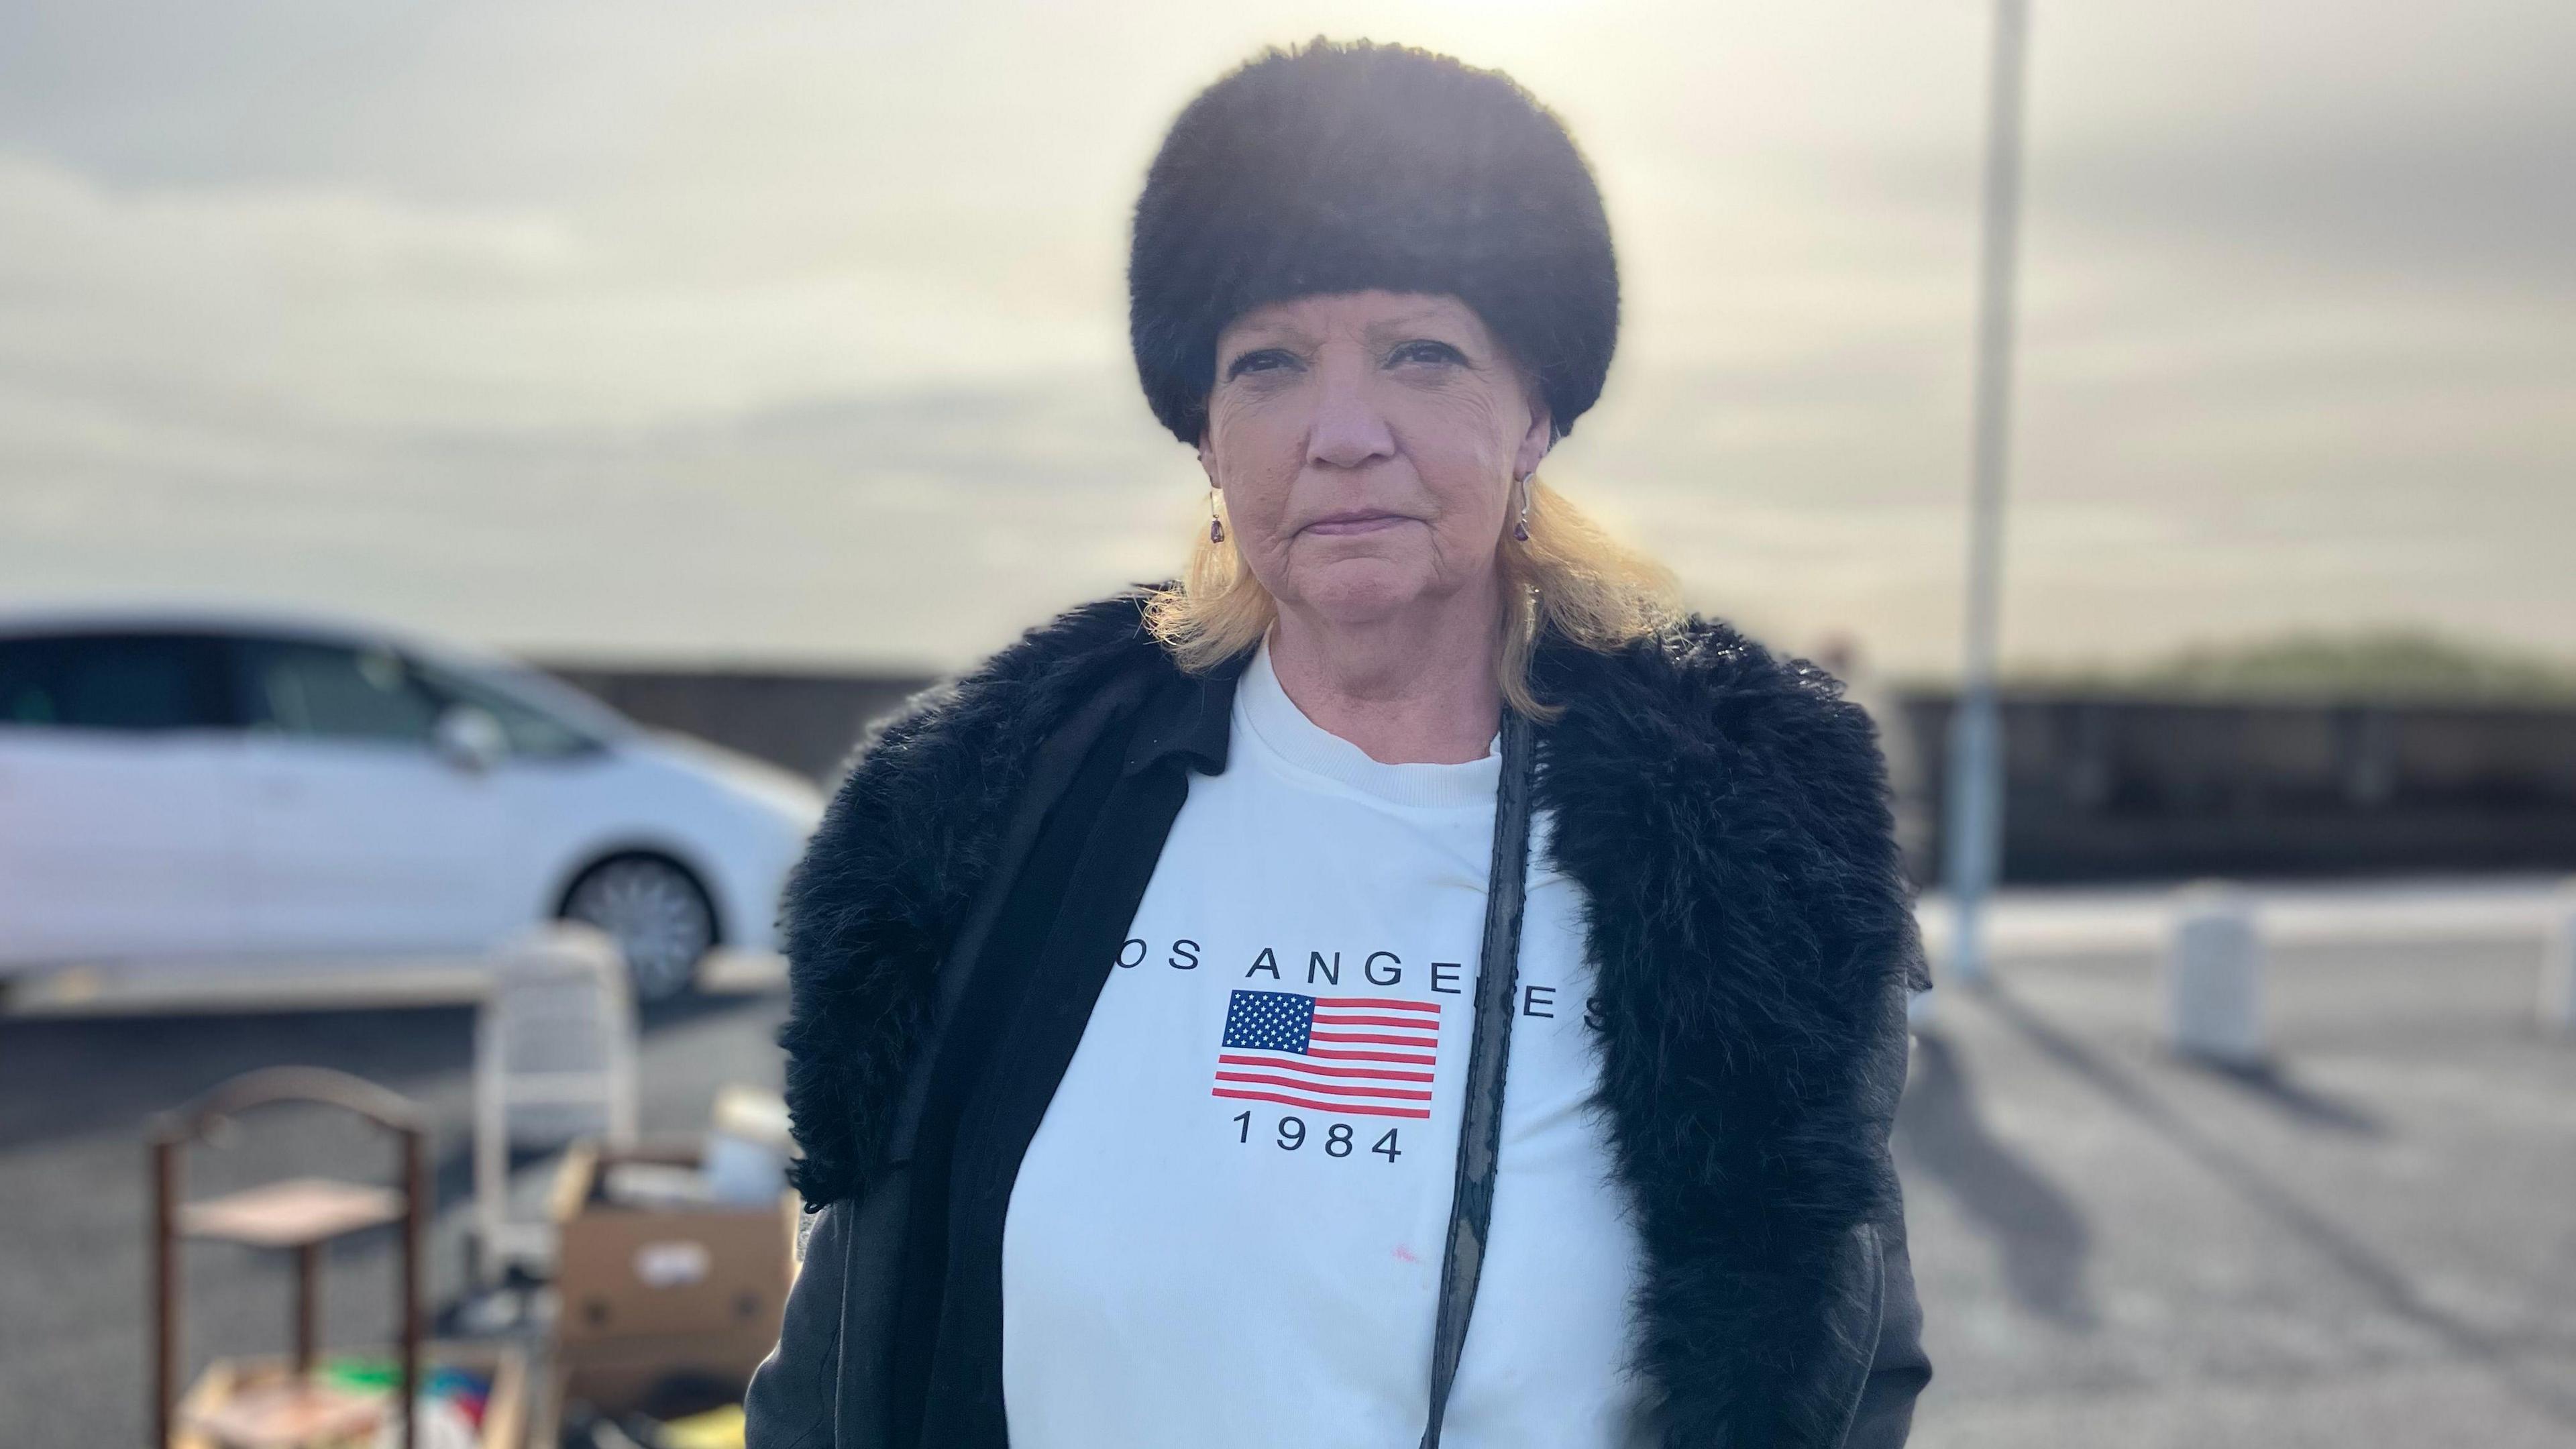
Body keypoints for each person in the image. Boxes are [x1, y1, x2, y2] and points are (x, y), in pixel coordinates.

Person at [745, 38, 1931, 1449]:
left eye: (1422, 353)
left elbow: (1845, 1372)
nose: (1343, 431)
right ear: (1206, 435)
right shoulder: (992, 810)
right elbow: (835, 1375)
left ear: (1535, 409)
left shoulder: (1750, 848)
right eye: (1272, 363)